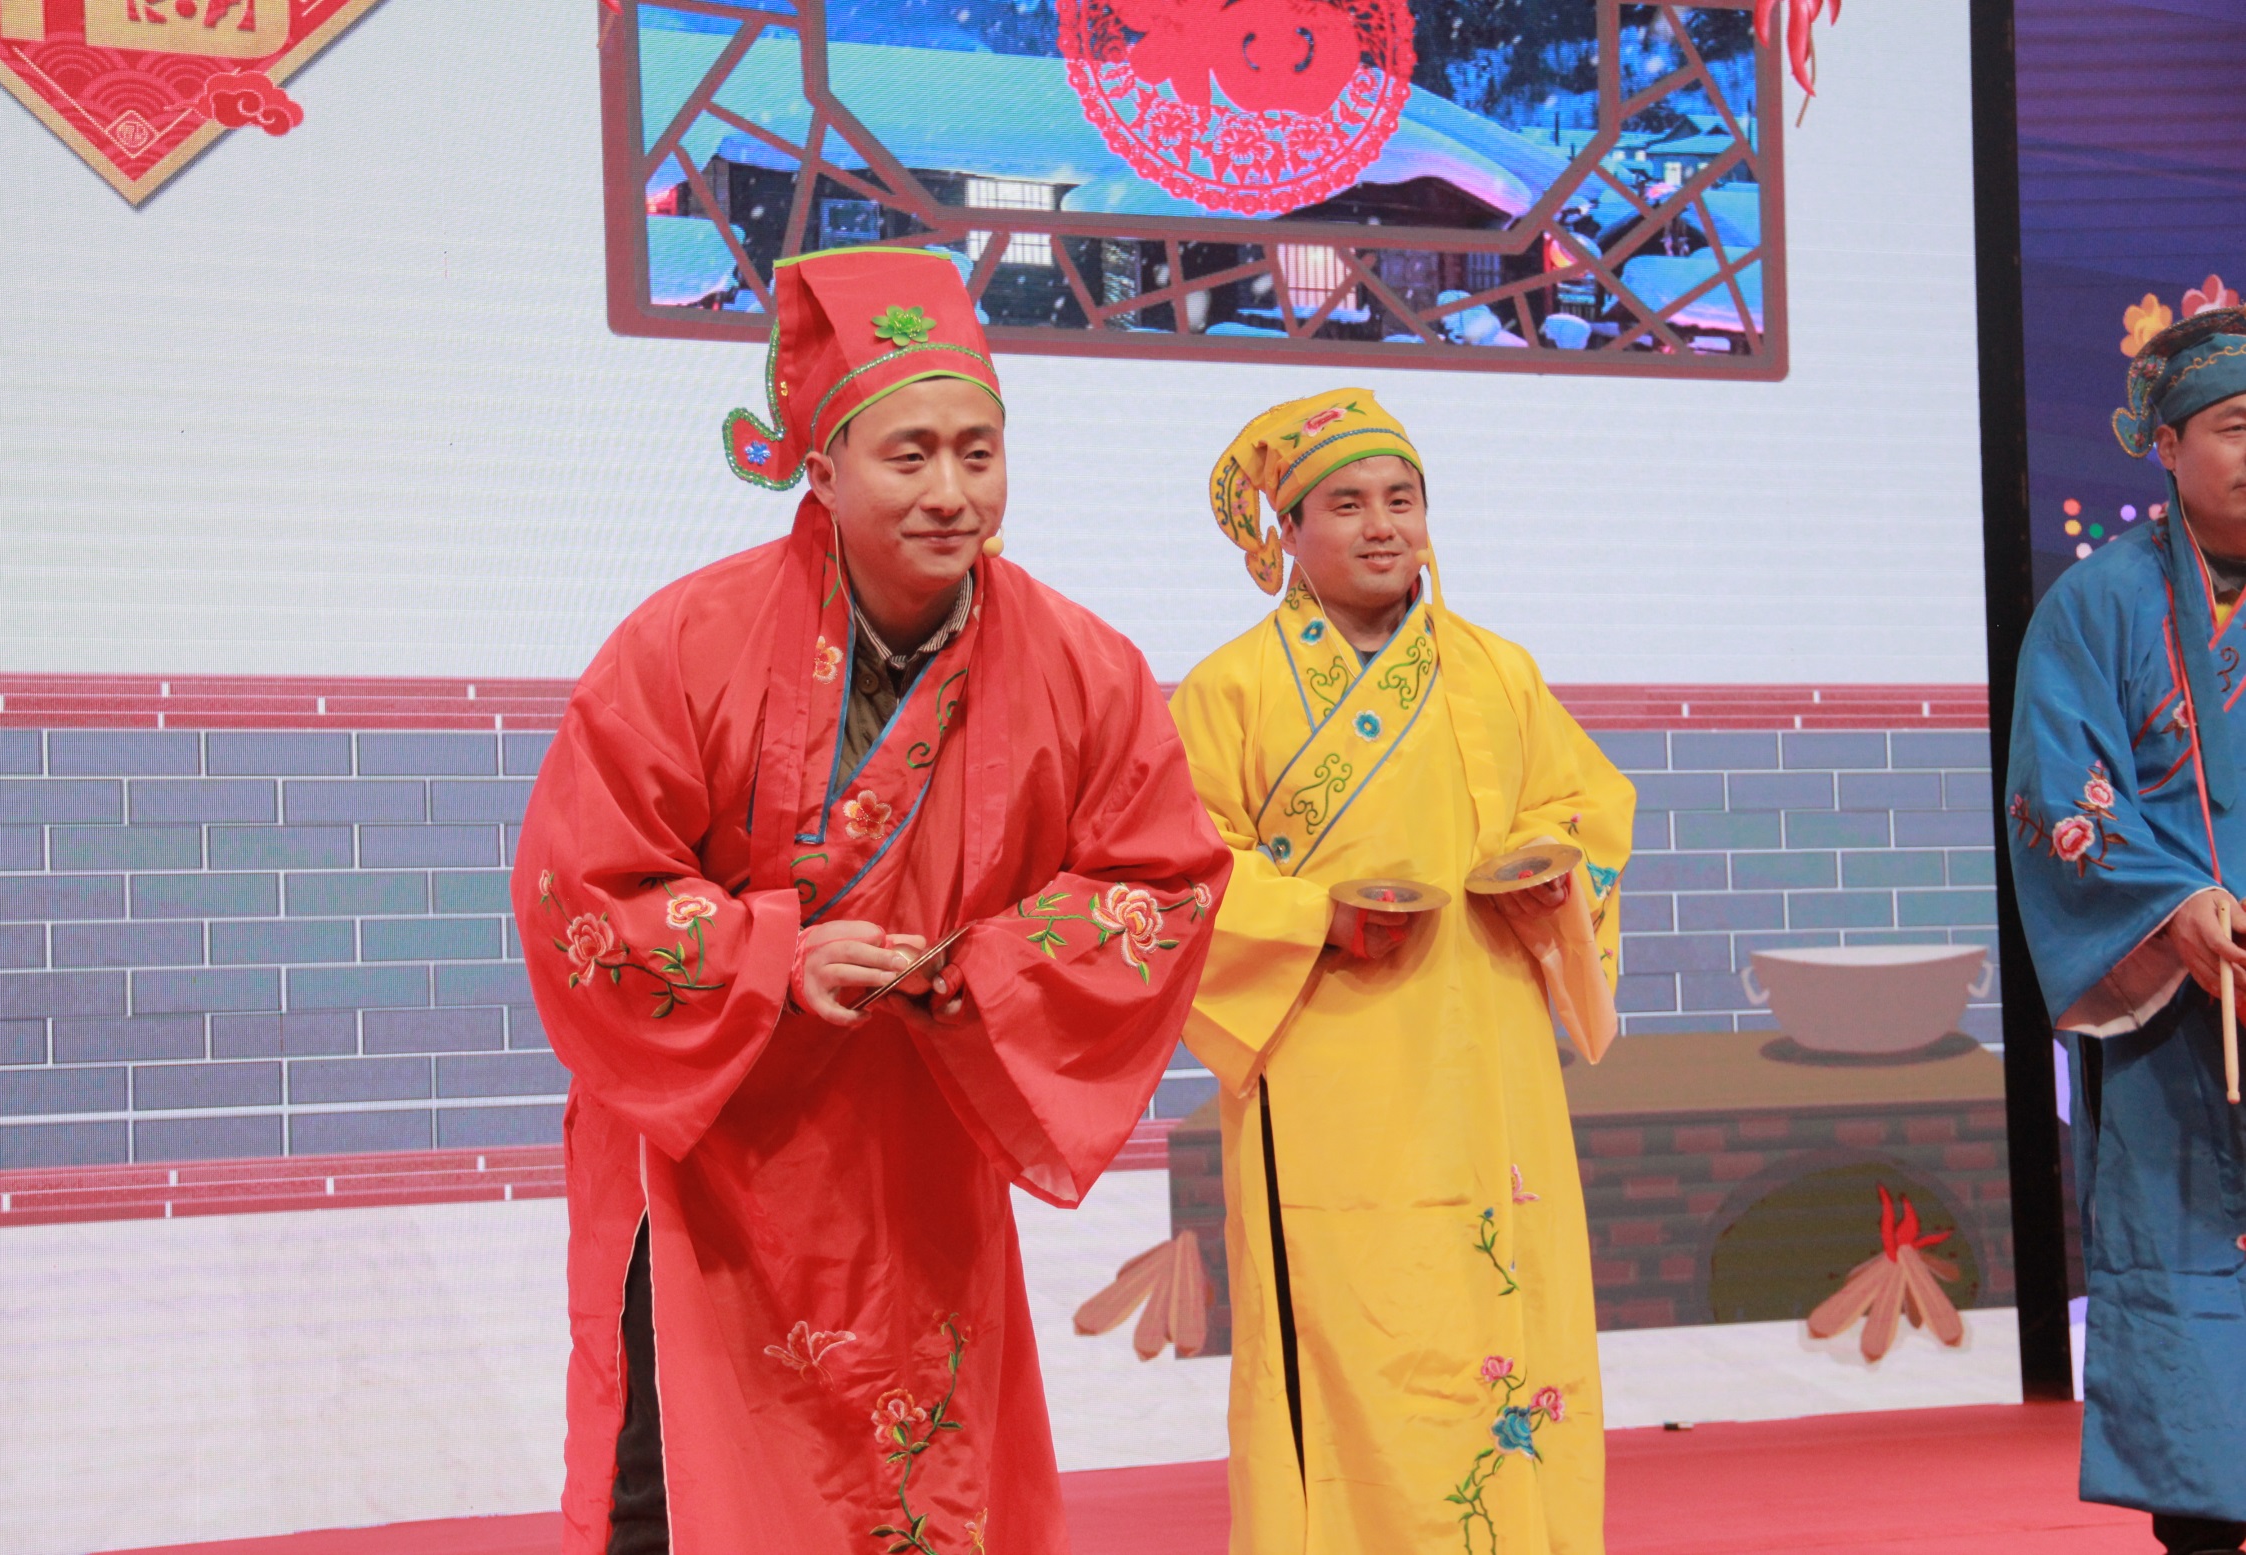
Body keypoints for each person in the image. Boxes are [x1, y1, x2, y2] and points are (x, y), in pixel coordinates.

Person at [512, 246, 1230, 1555]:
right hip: (708, 1152)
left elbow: (1163, 876)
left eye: (978, 453)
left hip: (915, 1148)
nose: (952, 492)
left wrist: (990, 962)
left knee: (918, 1482)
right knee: (669, 1490)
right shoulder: (685, 643)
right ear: (822, 466)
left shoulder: (1083, 666)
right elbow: (584, 886)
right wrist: (769, 954)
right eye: (910, 455)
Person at [1167, 390, 1635, 1554]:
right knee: (1344, 1330)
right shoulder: (1228, 690)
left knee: (1497, 1322)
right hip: (1321, 1067)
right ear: (1287, 531)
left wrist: (1553, 878)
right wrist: (1312, 918)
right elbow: (1180, 873)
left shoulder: (1497, 673)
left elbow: (1586, 808)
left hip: (1485, 1055)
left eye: (1401, 499)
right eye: (1344, 504)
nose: (1382, 526)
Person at [2007, 305, 2246, 1555]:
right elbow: (2059, 792)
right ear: (2165, 444)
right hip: (2175, 1013)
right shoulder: (2095, 603)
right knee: (2184, 1266)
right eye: (2234, 425)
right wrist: (2174, 903)